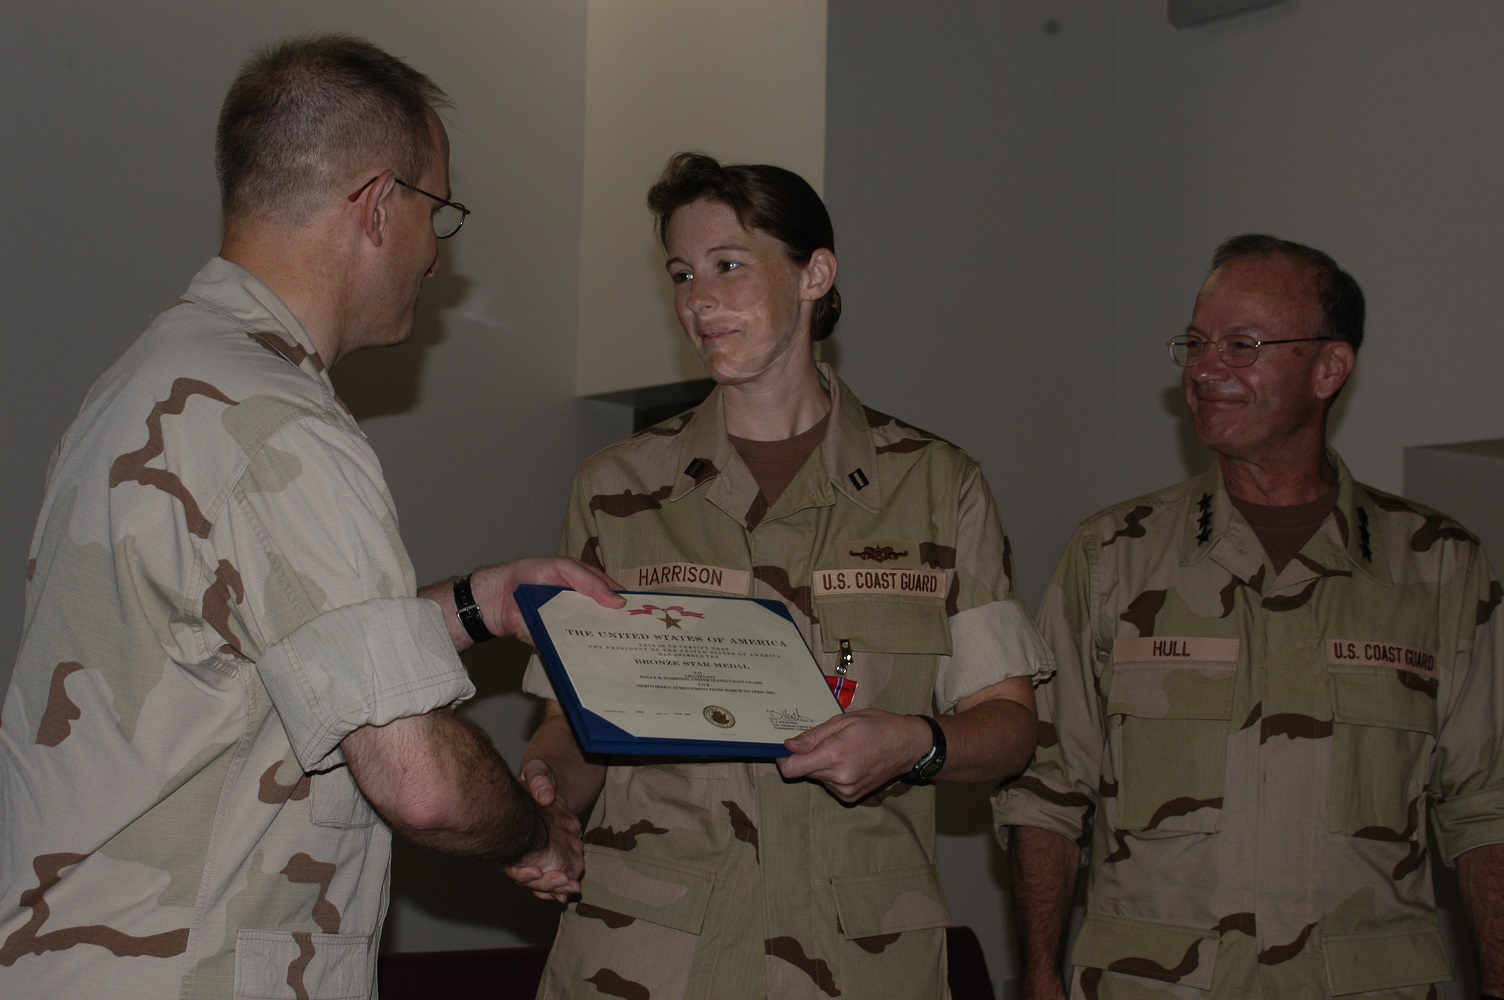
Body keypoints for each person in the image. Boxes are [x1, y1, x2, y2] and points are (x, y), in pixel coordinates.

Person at [0, 35, 621, 999]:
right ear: (380, 207)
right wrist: (538, 834)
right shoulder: (279, 425)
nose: (436, 256)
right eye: (437, 212)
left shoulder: (151, 384)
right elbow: (421, 782)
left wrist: (472, 604)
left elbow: (259, 652)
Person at [504, 151, 1051, 1000]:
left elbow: (1010, 726)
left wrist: (914, 743)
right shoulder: (616, 488)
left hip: (858, 963)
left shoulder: (938, 487)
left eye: (728, 265)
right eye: (682, 274)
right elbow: (573, 725)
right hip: (643, 954)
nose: (698, 300)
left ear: (815, 274)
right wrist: (546, 795)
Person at [994, 234, 1504, 999]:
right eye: (1196, 343)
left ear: (1329, 368)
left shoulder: (1438, 568)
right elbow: (1047, 792)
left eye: (1243, 344)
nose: (1205, 369)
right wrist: (1037, 975)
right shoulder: (1113, 557)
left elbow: (1486, 811)